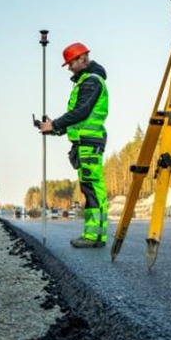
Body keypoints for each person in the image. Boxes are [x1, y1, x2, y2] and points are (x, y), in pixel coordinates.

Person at [40, 42, 109, 248]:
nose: (69, 67)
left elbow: (81, 112)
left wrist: (56, 124)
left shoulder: (91, 82)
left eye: (70, 63)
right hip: (84, 141)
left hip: (89, 142)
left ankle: (95, 236)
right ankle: (93, 235)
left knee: (93, 189)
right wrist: (54, 128)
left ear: (82, 59)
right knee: (89, 188)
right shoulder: (85, 81)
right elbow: (78, 119)